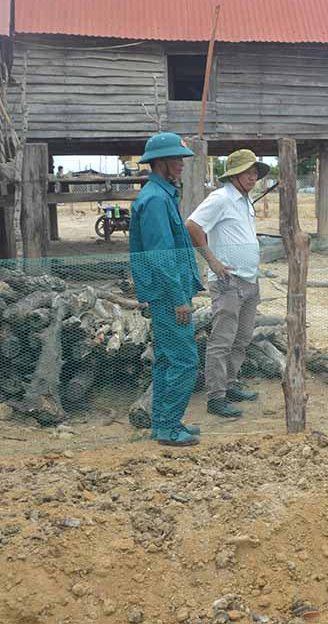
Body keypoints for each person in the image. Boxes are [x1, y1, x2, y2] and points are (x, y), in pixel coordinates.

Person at [129, 132, 204, 446]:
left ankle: (164, 422)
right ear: (159, 163)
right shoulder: (157, 200)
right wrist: (179, 299)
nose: (181, 164)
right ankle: (169, 427)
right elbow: (161, 256)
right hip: (167, 296)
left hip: (166, 293)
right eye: (176, 159)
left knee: (166, 359)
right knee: (185, 360)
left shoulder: (160, 195)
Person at [186, 149, 269, 419]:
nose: (253, 176)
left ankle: (230, 384)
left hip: (248, 278)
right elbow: (192, 225)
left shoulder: (245, 200)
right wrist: (212, 261)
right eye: (248, 171)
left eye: (255, 172)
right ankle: (216, 397)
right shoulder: (220, 198)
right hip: (227, 280)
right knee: (222, 339)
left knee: (242, 337)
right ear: (233, 174)